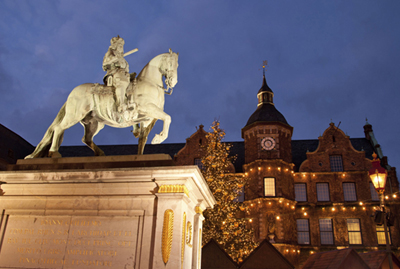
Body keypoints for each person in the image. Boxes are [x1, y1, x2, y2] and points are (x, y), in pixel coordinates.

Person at [103, 36, 130, 112]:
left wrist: (127, 72)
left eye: (122, 46)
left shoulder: (122, 58)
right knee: (122, 83)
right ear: (115, 46)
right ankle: (121, 104)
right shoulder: (110, 53)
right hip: (114, 73)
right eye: (120, 46)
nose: (121, 48)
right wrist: (115, 58)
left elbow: (126, 67)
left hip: (124, 74)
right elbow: (104, 64)